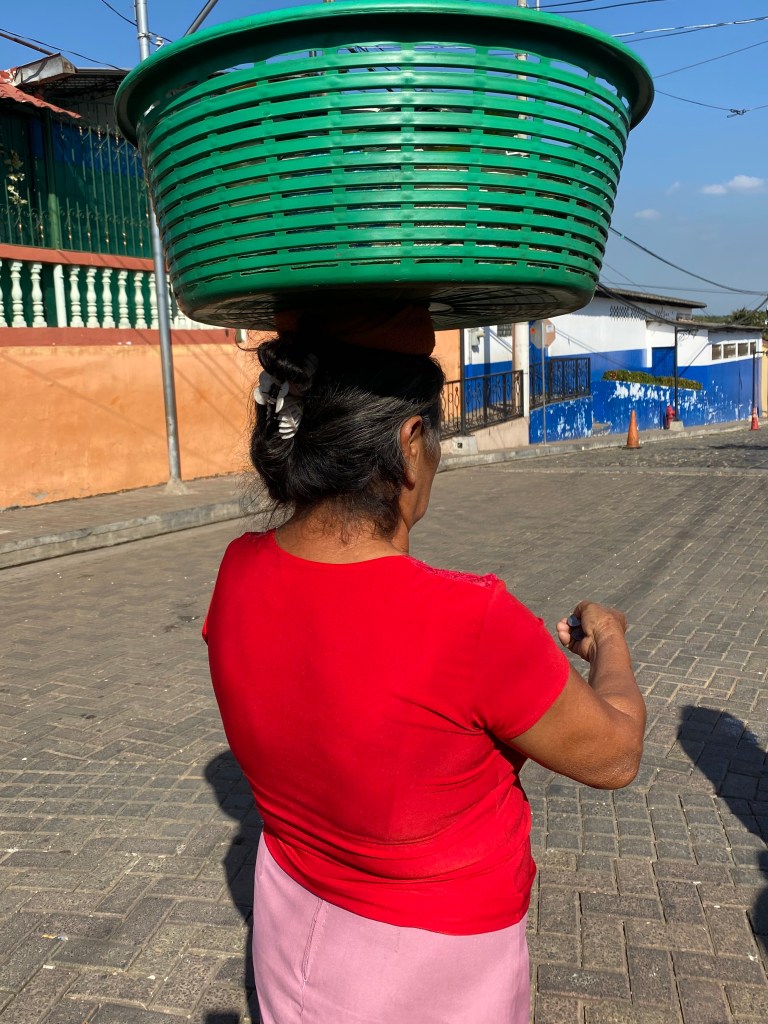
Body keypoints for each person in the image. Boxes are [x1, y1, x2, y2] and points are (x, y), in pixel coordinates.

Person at [203, 310, 646, 1024]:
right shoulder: (470, 620)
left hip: (290, 925)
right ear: (410, 444)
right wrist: (610, 640)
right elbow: (616, 754)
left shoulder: (239, 570)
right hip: (431, 969)